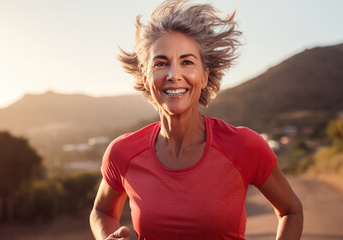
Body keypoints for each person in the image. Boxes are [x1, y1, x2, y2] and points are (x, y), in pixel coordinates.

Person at [89, 1, 303, 239]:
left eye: (187, 62)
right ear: (145, 76)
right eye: (160, 63)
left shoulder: (244, 146)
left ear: (204, 77)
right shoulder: (122, 152)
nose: (173, 75)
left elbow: (291, 211)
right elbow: (102, 211)